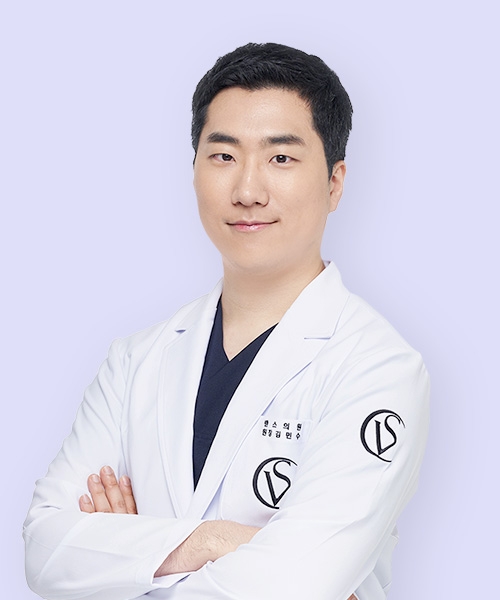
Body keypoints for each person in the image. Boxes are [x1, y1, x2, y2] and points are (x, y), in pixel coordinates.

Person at [24, 42, 430, 600]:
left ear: (335, 183)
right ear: (194, 170)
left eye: (281, 158)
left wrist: (129, 556)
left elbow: (295, 582)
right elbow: (45, 549)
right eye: (223, 156)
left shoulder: (377, 368)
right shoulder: (136, 360)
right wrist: (211, 541)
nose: (247, 191)